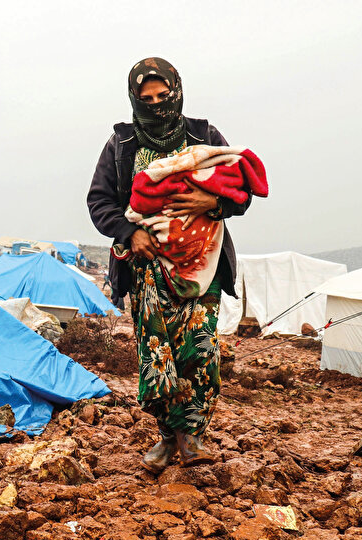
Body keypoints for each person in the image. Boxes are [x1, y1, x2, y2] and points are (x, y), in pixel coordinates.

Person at [87, 57, 252, 473]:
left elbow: (242, 188)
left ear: (177, 91)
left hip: (202, 263)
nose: (157, 104)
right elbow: (99, 201)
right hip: (146, 269)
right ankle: (167, 437)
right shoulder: (122, 144)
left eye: (164, 95)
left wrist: (213, 202)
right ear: (134, 99)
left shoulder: (203, 135)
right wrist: (129, 233)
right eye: (147, 99)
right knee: (158, 354)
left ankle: (192, 435)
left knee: (200, 348)